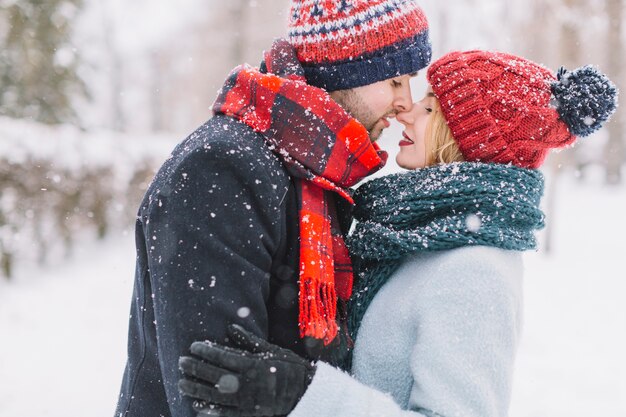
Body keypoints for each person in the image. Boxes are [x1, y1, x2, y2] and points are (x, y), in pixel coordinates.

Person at [177, 50, 618, 416]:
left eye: (428, 107)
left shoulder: (475, 269)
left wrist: (306, 395)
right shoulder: (415, 237)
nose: (406, 110)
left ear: (463, 140)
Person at [114, 1, 432, 416]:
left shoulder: (309, 171)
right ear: (345, 70)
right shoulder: (223, 169)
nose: (405, 102)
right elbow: (214, 387)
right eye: (394, 80)